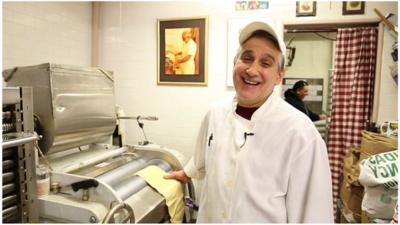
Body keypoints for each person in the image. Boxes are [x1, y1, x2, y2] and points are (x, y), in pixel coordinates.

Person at [164, 21, 333, 223]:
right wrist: (185, 173)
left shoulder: (301, 133)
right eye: (247, 58)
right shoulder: (215, 113)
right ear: (235, 63)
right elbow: (202, 157)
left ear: (279, 76)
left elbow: (314, 214)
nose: (252, 70)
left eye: (266, 63)